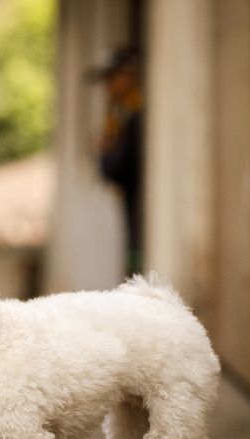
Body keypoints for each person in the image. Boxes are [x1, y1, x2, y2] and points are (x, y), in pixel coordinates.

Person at [88, 47, 144, 275]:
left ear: (128, 77)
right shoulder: (122, 113)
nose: (108, 88)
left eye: (112, 79)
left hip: (139, 205)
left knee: (136, 258)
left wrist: (104, 150)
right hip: (133, 204)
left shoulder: (135, 114)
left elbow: (118, 167)